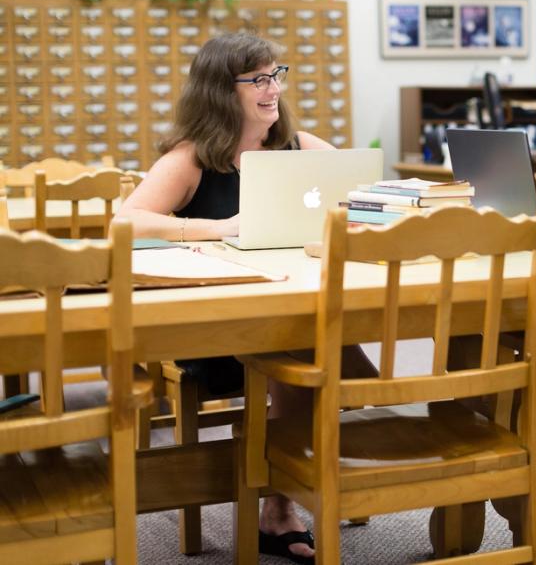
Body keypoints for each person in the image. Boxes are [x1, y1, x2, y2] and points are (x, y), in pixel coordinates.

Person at [118, 32, 373, 563]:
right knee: (312, 353)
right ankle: (281, 506)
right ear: (219, 91)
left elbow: (367, 191)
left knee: (308, 342)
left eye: (275, 74)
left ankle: (292, 483)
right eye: (256, 79)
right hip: (215, 327)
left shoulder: (301, 148)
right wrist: (218, 228)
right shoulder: (192, 157)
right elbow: (126, 219)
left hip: (288, 310)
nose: (271, 87)